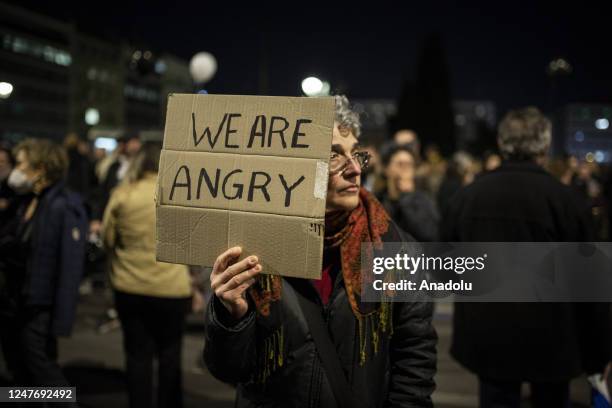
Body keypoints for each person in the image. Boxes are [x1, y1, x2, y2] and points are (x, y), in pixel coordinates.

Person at [203, 95, 437, 407]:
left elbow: (415, 360)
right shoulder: (254, 249)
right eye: (335, 156)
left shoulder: (395, 248)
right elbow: (228, 369)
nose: (355, 169)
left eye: (356, 154)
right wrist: (231, 316)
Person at [441, 107, 612, 407]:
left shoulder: (468, 196)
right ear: (544, 145)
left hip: (489, 335)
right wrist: (599, 352)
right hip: (553, 340)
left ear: (502, 141)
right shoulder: (567, 200)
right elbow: (590, 285)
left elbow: (447, 268)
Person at [102, 142, 192, 408]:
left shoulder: (124, 193)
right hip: (171, 288)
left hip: (130, 285)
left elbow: (108, 238)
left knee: (137, 356)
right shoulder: (180, 195)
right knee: (170, 356)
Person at [0, 138, 87, 388]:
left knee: (43, 370)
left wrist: (61, 318)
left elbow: (69, 269)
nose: (16, 170)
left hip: (39, 305)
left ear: (41, 168)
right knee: (19, 369)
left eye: (21, 164)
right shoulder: (27, 200)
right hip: (17, 301)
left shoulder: (64, 205)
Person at [378, 144, 440, 242]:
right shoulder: (377, 200)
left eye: (409, 165)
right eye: (400, 164)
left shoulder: (423, 200)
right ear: (387, 169)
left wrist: (407, 196)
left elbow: (428, 234)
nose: (405, 169)